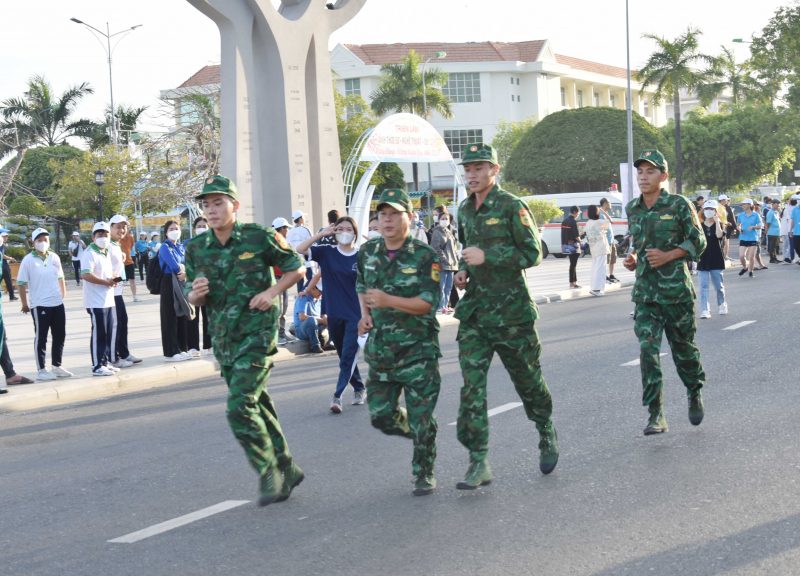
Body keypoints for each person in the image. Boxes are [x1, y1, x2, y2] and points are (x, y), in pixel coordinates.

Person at [186, 175, 306, 506]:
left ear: (235, 205)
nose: (211, 210)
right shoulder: (196, 248)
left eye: (218, 203)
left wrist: (272, 291)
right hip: (224, 339)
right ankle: (288, 467)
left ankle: (267, 470)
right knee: (257, 403)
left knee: (239, 406)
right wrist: (195, 294)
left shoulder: (259, 236)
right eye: (206, 204)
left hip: (257, 333)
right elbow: (191, 295)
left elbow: (297, 267)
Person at [453, 143, 558, 489]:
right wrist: (463, 270)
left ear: (494, 170)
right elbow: (468, 253)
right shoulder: (463, 210)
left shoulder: (513, 206)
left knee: (528, 380)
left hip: (512, 314)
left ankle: (545, 429)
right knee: (471, 388)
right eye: (468, 169)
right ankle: (478, 461)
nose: (472, 174)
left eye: (479, 168)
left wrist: (489, 256)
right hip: (475, 314)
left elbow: (533, 252)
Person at [357, 189, 443, 496]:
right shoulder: (368, 251)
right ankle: (424, 430)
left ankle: (424, 470)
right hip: (382, 351)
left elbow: (428, 303)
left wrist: (388, 300)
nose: (388, 220)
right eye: (383, 214)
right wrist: (365, 314)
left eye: (395, 213)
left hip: (418, 351)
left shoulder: (424, 255)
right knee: (381, 417)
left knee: (420, 417)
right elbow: (362, 286)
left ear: (410, 217)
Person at [623, 149, 706, 435]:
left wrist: (669, 255)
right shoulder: (632, 208)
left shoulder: (679, 204)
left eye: (650, 171)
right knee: (648, 350)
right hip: (646, 294)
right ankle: (655, 413)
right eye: (640, 171)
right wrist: (634, 259)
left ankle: (694, 391)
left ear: (664, 176)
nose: (643, 176)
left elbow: (699, 241)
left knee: (683, 349)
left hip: (676, 293)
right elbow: (640, 245)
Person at [297, 216, 367, 413]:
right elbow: (300, 249)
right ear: (335, 232)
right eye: (340, 229)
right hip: (334, 313)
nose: (345, 232)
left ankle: (337, 397)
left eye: (349, 229)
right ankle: (360, 388)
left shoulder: (362, 255)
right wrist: (321, 235)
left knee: (348, 356)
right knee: (344, 356)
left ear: (355, 232)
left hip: (356, 315)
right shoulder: (327, 252)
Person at [16, 228, 73, 381]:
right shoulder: (28, 260)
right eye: (39, 240)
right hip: (40, 304)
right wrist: (24, 304)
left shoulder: (54, 257)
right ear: (33, 242)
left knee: (59, 335)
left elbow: (60, 277)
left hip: (57, 303)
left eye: (45, 240)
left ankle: (57, 366)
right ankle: (41, 370)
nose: (42, 243)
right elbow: (21, 283)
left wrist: (62, 294)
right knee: (41, 337)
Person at [80, 222, 119, 377]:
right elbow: (85, 274)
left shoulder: (105, 252)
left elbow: (107, 273)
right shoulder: (89, 253)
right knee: (99, 333)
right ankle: (97, 365)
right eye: (99, 235)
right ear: (93, 237)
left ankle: (104, 362)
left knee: (107, 332)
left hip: (107, 299)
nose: (103, 237)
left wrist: (113, 279)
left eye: (105, 234)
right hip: (95, 301)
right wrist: (105, 282)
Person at [108, 215, 141, 368]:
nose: (121, 230)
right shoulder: (107, 246)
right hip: (110, 293)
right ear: (110, 228)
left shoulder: (117, 245)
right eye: (118, 227)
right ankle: (114, 358)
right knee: (115, 325)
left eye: (124, 227)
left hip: (118, 292)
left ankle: (124, 353)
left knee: (123, 323)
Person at [159, 220, 192, 361]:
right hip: (169, 282)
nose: (174, 231)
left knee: (182, 314)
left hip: (181, 281)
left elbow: (189, 263)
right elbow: (175, 266)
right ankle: (170, 352)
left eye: (176, 228)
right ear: (166, 233)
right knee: (170, 317)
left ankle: (182, 349)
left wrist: (186, 272)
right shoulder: (165, 247)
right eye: (171, 229)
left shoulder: (181, 247)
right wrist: (184, 271)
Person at [186, 217, 213, 355]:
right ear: (194, 228)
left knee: (209, 316)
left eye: (204, 226)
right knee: (193, 316)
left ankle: (210, 345)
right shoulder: (188, 244)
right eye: (199, 226)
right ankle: (193, 347)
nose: (201, 228)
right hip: (193, 284)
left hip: (209, 284)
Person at [697, 200, 727, 318]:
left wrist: (717, 221)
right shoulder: (699, 226)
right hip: (702, 258)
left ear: (716, 211)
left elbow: (719, 236)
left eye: (712, 209)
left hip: (716, 258)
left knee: (719, 286)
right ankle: (705, 310)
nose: (709, 211)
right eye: (707, 209)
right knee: (703, 287)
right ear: (703, 211)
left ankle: (722, 305)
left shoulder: (720, 225)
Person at [271, 217, 296, 345]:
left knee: (284, 307)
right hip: (275, 279)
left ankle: (282, 333)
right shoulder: (272, 243)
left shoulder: (284, 242)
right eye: (287, 228)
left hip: (284, 278)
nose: (288, 230)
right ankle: (276, 336)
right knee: (278, 308)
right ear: (282, 229)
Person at [430, 209, 458, 313]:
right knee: (441, 286)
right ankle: (441, 306)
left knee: (448, 287)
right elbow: (436, 248)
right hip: (442, 264)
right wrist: (443, 259)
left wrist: (456, 260)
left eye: (446, 219)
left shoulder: (449, 232)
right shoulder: (436, 232)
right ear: (438, 220)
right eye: (443, 219)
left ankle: (445, 305)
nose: (445, 220)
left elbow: (454, 248)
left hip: (451, 264)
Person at [293, 280, 326, 353]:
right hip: (301, 330)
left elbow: (323, 314)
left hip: (317, 327)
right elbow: (302, 317)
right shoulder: (303, 297)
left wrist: (326, 318)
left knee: (334, 318)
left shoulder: (319, 298)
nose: (321, 293)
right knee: (312, 320)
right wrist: (321, 321)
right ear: (313, 288)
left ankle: (327, 343)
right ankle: (315, 345)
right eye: (320, 291)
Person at [584, 205, 610, 297]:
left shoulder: (588, 223)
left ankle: (594, 287)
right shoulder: (599, 222)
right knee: (601, 269)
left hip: (593, 248)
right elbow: (610, 221)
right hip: (601, 248)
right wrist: (604, 211)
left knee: (595, 269)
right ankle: (597, 289)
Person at [286, 210, 313, 291]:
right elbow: (311, 243)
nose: (304, 219)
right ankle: (303, 292)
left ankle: (300, 294)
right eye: (303, 217)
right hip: (306, 259)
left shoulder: (290, 232)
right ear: (300, 219)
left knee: (299, 281)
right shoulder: (305, 230)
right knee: (311, 278)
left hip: (296, 260)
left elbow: (287, 246)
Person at [736, 199, 762, 278]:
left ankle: (751, 271)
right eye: (743, 204)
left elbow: (760, 226)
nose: (743, 206)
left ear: (750, 205)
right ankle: (745, 268)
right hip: (743, 238)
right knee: (741, 256)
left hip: (753, 238)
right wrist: (740, 229)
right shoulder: (741, 215)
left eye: (745, 204)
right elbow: (737, 225)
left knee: (751, 257)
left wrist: (753, 226)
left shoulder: (756, 215)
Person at [599, 198, 619, 283]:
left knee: (613, 259)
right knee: (606, 259)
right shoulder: (600, 214)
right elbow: (602, 227)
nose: (611, 204)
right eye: (609, 202)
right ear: (605, 203)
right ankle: (604, 276)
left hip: (611, 241)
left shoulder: (605, 213)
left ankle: (611, 275)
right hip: (606, 241)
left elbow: (611, 221)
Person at [561, 205, 582, 288]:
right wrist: (580, 241)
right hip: (573, 245)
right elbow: (576, 235)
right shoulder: (574, 222)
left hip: (565, 245)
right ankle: (572, 283)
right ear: (576, 213)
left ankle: (574, 282)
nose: (579, 214)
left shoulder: (564, 221)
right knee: (573, 265)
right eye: (579, 212)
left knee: (572, 264)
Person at [119, 227, 140, 302]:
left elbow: (130, 248)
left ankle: (135, 296)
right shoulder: (117, 239)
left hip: (129, 261)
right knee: (119, 281)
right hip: (120, 263)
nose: (125, 230)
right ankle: (119, 297)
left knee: (132, 280)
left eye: (127, 228)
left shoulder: (131, 238)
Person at [718, 194, 736, 261]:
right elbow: (730, 218)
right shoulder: (722, 207)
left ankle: (724, 255)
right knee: (725, 241)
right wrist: (733, 227)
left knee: (724, 242)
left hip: (724, 225)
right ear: (722, 200)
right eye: (725, 200)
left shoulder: (721, 207)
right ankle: (724, 256)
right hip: (723, 226)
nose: (726, 201)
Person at [1, 230, 17, 301]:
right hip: (4, 267)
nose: (6, 238)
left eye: (6, 237)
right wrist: (10, 258)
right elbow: (2, 255)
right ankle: (12, 296)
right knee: (9, 281)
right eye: (4, 237)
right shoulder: (2, 245)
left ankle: (12, 296)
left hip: (1, 267)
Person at [752, 200, 768, 271]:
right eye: (756, 205)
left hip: (758, 235)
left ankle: (760, 264)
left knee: (757, 251)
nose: (758, 206)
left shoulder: (757, 214)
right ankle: (754, 265)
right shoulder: (753, 214)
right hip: (753, 236)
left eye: (758, 205)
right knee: (755, 251)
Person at [781, 195, 798, 263]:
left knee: (791, 245)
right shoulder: (797, 208)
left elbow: (786, 204)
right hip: (797, 229)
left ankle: (792, 258)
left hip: (790, 229)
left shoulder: (787, 208)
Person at [765, 198, 782, 263]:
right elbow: (768, 222)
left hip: (777, 232)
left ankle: (775, 258)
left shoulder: (776, 212)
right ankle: (772, 259)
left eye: (778, 204)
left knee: (775, 246)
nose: (778, 205)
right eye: (777, 204)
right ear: (773, 204)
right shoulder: (770, 212)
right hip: (772, 232)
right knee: (772, 246)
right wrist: (767, 230)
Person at [790, 198, 800, 264]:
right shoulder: (795, 209)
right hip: (796, 231)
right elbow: (793, 220)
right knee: (796, 246)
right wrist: (791, 230)